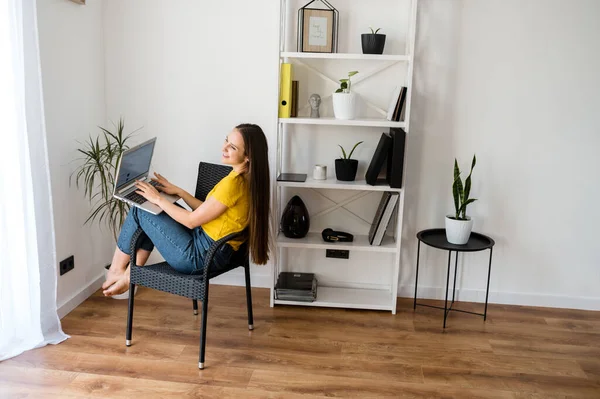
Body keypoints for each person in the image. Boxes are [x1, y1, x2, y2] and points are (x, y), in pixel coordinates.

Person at [102, 123, 270, 296]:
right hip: (214, 250)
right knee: (152, 209)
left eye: (232, 147)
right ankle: (129, 276)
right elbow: (206, 210)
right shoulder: (246, 179)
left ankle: (118, 272)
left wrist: (158, 199)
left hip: (200, 258)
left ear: (248, 156)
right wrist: (179, 192)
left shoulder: (233, 184)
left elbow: (191, 221)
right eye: (226, 140)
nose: (224, 148)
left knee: (142, 209)